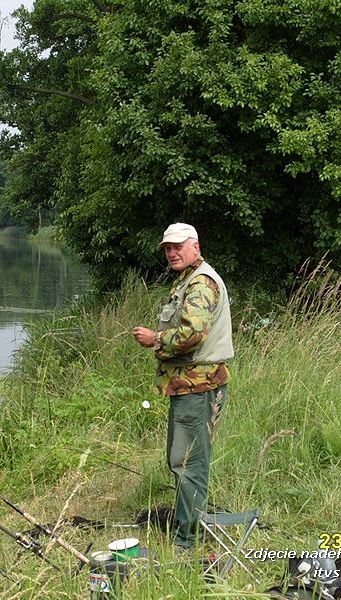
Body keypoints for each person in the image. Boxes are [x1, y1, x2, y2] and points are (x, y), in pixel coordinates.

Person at [132, 222, 233, 549]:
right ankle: (188, 525)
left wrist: (155, 338)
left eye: (178, 246)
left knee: (189, 463)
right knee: (182, 460)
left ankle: (188, 540)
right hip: (190, 385)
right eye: (167, 248)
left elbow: (192, 334)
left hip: (199, 387)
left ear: (195, 247)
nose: (172, 252)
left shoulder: (201, 283)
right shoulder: (190, 278)